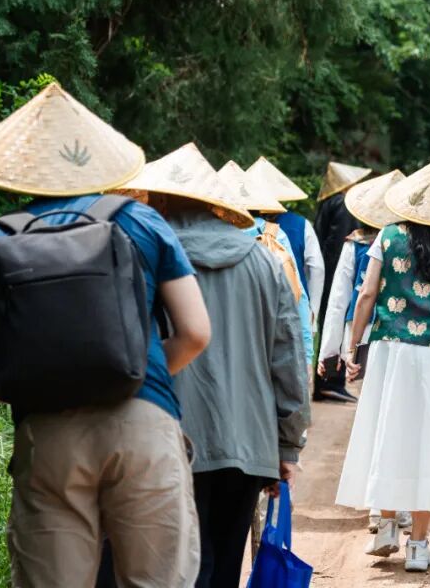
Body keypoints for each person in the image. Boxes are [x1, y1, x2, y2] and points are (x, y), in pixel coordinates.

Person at [0, 83, 210, 587]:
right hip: (142, 420)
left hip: (48, 434)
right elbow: (195, 332)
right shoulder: (144, 222)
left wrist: (29, 387)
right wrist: (130, 373)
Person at [121, 144, 311, 588]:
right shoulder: (264, 263)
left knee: (173, 570)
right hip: (248, 444)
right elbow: (287, 359)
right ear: (215, 204)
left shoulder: (145, 261)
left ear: (161, 202)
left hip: (167, 440)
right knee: (224, 566)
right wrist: (288, 445)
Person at [335, 158, 430, 573]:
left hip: (392, 347)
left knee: (391, 429)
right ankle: (418, 546)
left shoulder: (387, 236)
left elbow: (366, 295)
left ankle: (386, 525)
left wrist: (354, 345)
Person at [314, 169, 411, 534]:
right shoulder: (409, 241)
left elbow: (340, 300)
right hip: (399, 337)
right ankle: (398, 504)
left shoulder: (355, 243)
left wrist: (332, 352)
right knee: (398, 420)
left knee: (374, 419)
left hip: (361, 333)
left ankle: (378, 504)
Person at [220, 160, 315, 366]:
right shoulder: (274, 235)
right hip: (263, 335)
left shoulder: (208, 233)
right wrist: (306, 353)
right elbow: (296, 295)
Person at [313, 161, 373, 402]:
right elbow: (339, 244)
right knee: (336, 318)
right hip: (335, 271)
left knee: (332, 319)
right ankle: (330, 379)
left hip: (327, 269)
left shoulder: (329, 202)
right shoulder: (343, 204)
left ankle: (327, 379)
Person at [247, 156, 325, 322]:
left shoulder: (240, 223)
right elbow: (316, 268)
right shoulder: (301, 224)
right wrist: (313, 309)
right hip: (294, 304)